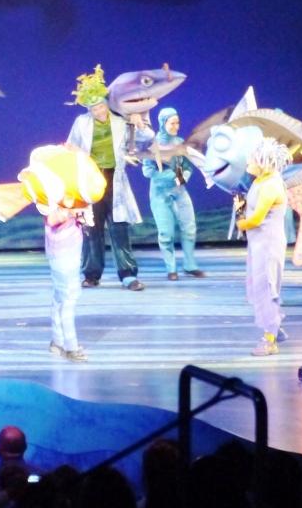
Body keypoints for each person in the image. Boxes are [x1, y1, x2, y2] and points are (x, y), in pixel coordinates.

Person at [67, 66, 150, 291]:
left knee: (119, 228)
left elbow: (145, 141)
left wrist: (140, 123)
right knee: (91, 229)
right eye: (94, 108)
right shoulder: (81, 123)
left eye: (101, 106)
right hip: (91, 180)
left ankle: (128, 275)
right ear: (89, 109)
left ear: (107, 104)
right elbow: (71, 147)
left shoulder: (121, 122)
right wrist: (76, 155)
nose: (99, 111)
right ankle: (91, 274)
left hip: (114, 180)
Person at [236, 138, 291, 357]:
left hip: (268, 245)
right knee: (259, 286)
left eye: (251, 159)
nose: (248, 163)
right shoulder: (261, 181)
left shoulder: (271, 186)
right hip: (258, 243)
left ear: (263, 161)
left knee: (267, 287)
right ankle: (274, 327)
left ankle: (270, 338)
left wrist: (240, 222)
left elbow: (256, 219)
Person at [142, 107, 202, 282]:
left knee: (189, 228)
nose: (176, 126)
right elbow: (147, 171)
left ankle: (190, 265)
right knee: (166, 233)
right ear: (163, 123)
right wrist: (171, 175)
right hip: (160, 194)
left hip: (180, 191)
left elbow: (188, 166)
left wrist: (184, 176)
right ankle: (171, 268)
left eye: (177, 123)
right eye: (172, 123)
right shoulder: (152, 145)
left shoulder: (180, 142)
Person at [44, 202, 88, 361]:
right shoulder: (51, 193)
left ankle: (58, 342)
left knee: (60, 296)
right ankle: (71, 347)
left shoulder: (69, 195)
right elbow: (52, 219)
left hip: (69, 248)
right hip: (62, 251)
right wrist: (72, 212)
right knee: (68, 296)